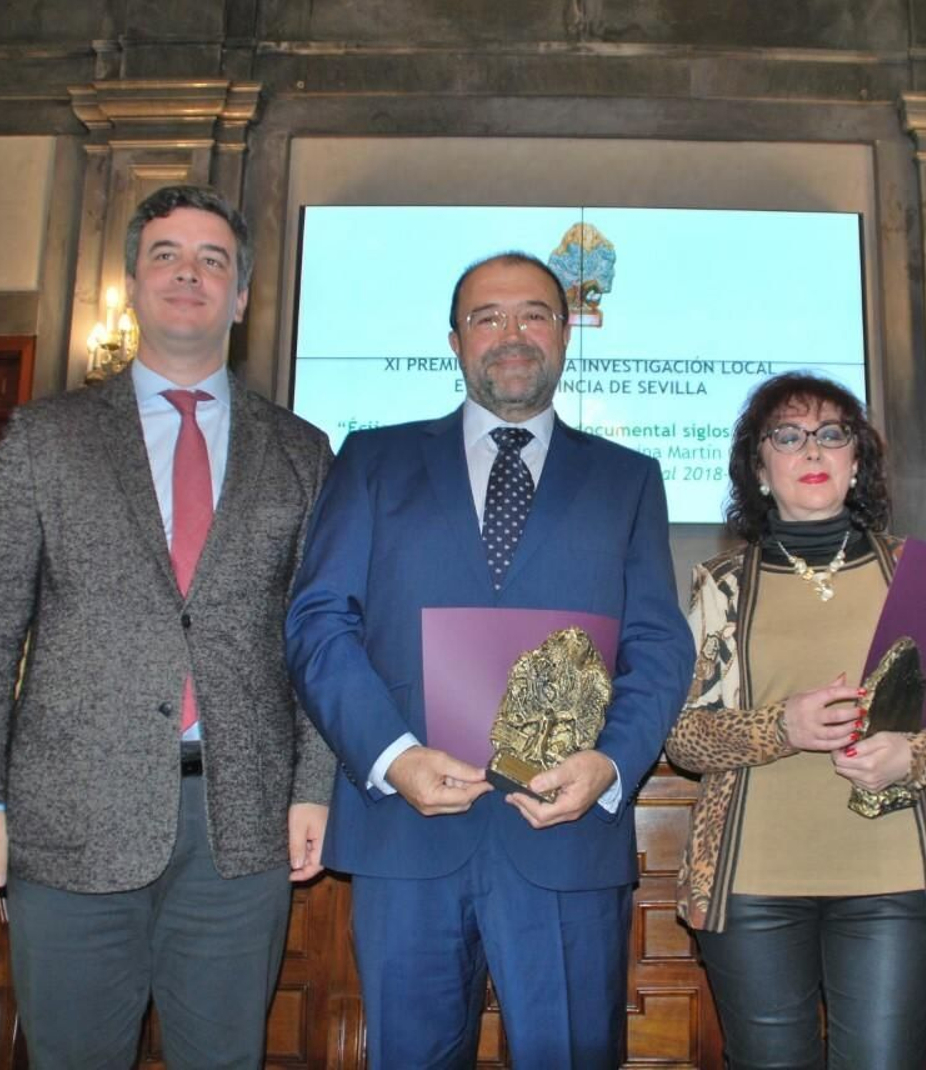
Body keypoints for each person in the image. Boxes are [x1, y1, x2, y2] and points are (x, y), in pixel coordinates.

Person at [0, 185, 335, 1069]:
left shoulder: (302, 450)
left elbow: (319, 636)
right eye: (166, 255)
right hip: (67, 818)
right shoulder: (45, 437)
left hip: (242, 824)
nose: (188, 274)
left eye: (212, 260)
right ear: (133, 284)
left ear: (240, 298)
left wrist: (313, 787)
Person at [284, 251, 694, 1068]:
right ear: (453, 340)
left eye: (534, 314)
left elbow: (657, 643)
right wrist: (391, 759)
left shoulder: (629, 478)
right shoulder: (372, 460)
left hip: (565, 842)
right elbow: (320, 620)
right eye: (487, 317)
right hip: (405, 836)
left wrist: (611, 764)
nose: (511, 334)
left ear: (566, 333)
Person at [664, 372, 926, 1069]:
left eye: (832, 434)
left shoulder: (917, 575)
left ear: (856, 461)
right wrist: (779, 728)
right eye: (787, 435)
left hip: (893, 877)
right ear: (758, 468)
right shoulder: (722, 584)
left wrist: (911, 755)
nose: (812, 449)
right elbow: (682, 735)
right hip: (751, 883)